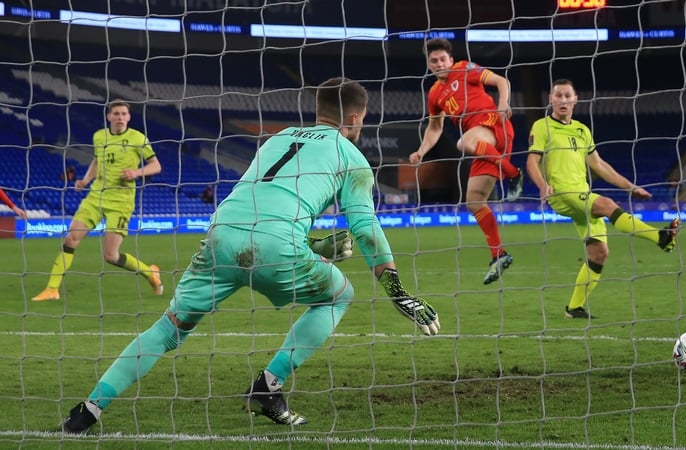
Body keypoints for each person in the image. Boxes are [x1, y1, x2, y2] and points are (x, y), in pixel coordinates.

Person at [60, 77, 441, 433]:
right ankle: (268, 385)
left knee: (168, 328)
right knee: (340, 295)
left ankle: (89, 409)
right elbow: (365, 228)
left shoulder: (278, 139)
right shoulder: (351, 155)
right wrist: (397, 291)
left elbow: (265, 207)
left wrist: (315, 246)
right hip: (276, 247)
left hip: (221, 236)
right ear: (357, 117)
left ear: (318, 109)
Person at [526, 79, 680, 319]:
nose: (563, 100)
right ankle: (660, 237)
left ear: (576, 99)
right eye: (558, 96)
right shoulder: (542, 126)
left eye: (567, 95)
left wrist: (630, 187)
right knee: (608, 205)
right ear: (551, 100)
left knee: (599, 253)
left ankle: (574, 308)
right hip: (562, 193)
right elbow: (531, 161)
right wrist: (543, 185)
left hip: (582, 194)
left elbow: (599, 165)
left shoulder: (582, 130)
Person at [409, 38, 524, 285]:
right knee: (474, 201)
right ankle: (499, 254)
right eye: (434, 61)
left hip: (494, 125)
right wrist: (421, 150)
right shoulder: (434, 93)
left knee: (463, 143)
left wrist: (503, 104)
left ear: (450, 59)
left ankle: (514, 174)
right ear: (428, 65)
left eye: (443, 59)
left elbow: (500, 81)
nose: (439, 63)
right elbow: (435, 127)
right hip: (483, 145)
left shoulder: (464, 69)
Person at [32, 100, 163, 302]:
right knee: (70, 239)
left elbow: (156, 166)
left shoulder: (138, 138)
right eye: (116, 114)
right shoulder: (99, 136)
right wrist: (85, 179)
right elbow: (97, 161)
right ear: (109, 116)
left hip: (121, 202)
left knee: (111, 256)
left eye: (123, 114)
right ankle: (52, 289)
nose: (120, 117)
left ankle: (149, 272)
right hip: (95, 197)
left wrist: (136, 172)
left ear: (129, 117)